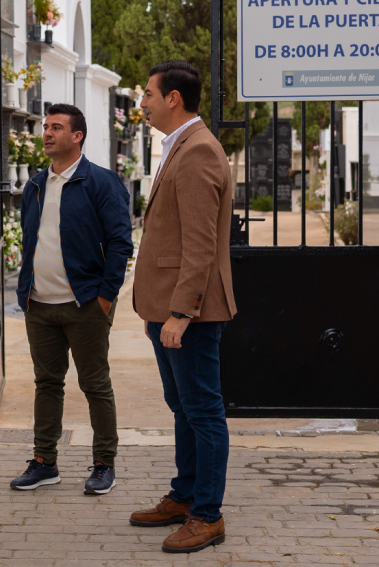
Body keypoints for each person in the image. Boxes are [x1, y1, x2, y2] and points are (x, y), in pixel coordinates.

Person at [128, 61, 236, 553]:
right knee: (184, 408)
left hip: (190, 313)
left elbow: (199, 244)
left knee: (203, 412)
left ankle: (207, 515)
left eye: (149, 94)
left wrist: (181, 313)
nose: (143, 103)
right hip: (166, 309)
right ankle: (185, 495)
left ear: (173, 98)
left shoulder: (198, 151)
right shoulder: (179, 146)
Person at [9, 103, 133, 495]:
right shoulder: (35, 185)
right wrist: (25, 293)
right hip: (39, 305)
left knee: (95, 384)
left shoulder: (101, 182)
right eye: (46, 126)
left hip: (85, 305)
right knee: (47, 383)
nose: (46, 133)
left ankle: (104, 464)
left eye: (57, 127)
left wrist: (106, 296)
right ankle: (44, 462)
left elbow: (120, 242)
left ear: (77, 136)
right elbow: (32, 241)